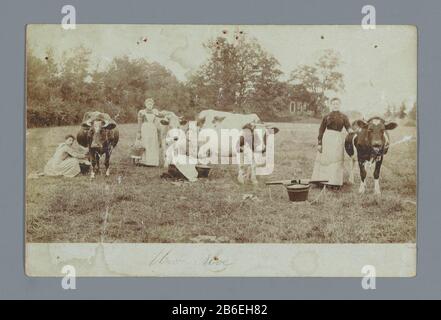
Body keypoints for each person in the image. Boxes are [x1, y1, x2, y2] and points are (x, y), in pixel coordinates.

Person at [311, 97, 351, 187]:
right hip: (327, 140)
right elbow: (321, 130)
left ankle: (334, 182)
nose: (335, 105)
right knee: (326, 160)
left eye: (337, 104)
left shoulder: (344, 117)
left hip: (338, 140)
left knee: (336, 160)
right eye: (333, 104)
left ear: (340, 105)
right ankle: (322, 181)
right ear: (331, 105)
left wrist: (353, 132)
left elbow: (348, 128)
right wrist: (320, 143)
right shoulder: (327, 116)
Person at [137, 98, 161, 166]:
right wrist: (139, 132)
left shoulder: (155, 111)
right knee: (145, 143)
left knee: (152, 143)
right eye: (148, 104)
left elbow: (160, 117)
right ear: (145, 104)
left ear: (153, 105)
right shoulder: (142, 112)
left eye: (151, 104)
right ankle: (144, 161)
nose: (150, 105)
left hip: (153, 129)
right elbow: (139, 123)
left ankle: (152, 161)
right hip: (145, 128)